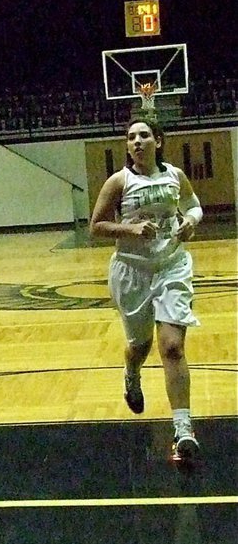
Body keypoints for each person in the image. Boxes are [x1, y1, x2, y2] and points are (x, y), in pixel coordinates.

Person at [90, 118, 203, 462]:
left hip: (171, 266)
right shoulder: (118, 182)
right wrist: (132, 228)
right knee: (140, 345)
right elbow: (96, 226)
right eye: (131, 137)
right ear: (127, 146)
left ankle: (183, 429)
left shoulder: (175, 176)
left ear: (159, 141)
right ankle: (131, 371)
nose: (137, 141)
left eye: (144, 135)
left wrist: (190, 223)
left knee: (171, 346)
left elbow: (194, 205)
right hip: (131, 272)